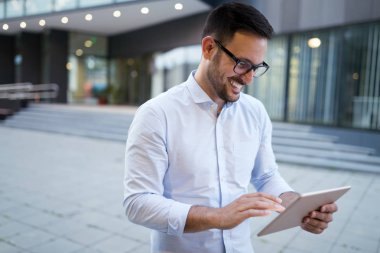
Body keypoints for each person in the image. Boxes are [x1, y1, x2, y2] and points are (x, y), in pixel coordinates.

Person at [124, 2, 337, 253]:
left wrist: (297, 205)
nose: (248, 79)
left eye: (256, 68)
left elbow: (265, 175)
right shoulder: (157, 114)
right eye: (242, 63)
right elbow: (138, 203)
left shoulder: (255, 111)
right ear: (209, 48)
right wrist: (218, 217)